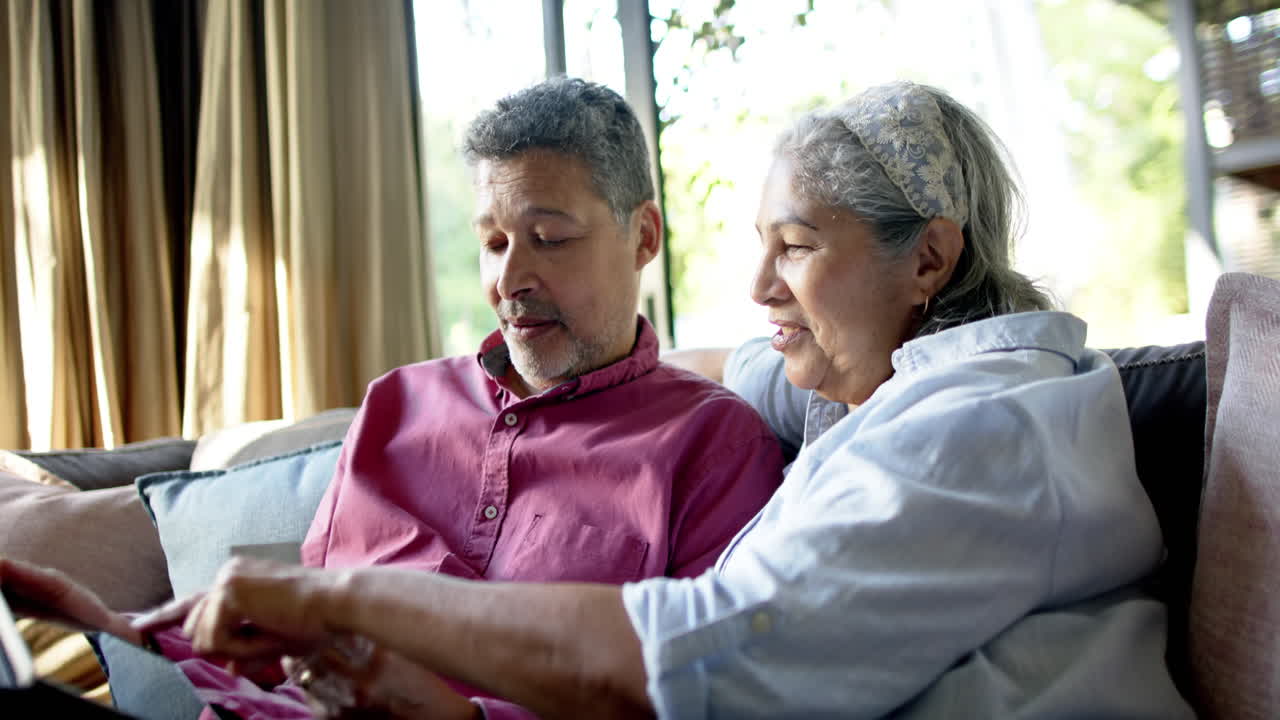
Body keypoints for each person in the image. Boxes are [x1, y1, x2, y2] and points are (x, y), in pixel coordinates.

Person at [26, 80, 1196, 718]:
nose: (754, 288)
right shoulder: (876, 396)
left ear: (927, 262)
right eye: (492, 240)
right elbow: (748, 369)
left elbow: (705, 662)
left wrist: (346, 601)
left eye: (792, 247)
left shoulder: (977, 437)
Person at [0, 77, 785, 720]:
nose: (509, 281)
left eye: (549, 240)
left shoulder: (713, 443)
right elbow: (282, 665)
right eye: (493, 242)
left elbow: (703, 697)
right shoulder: (398, 406)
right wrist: (121, 628)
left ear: (644, 237)